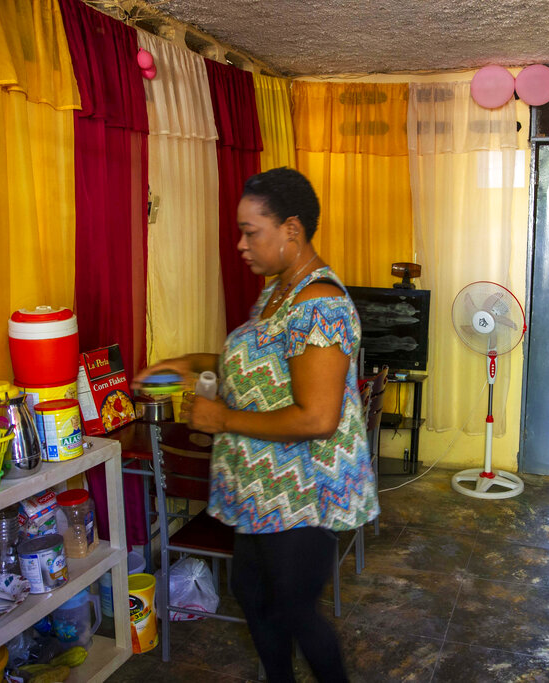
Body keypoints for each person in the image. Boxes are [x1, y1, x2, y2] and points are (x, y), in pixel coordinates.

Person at [135, 167, 378, 682]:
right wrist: (187, 363)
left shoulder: (321, 305)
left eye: (251, 231)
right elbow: (255, 368)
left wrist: (219, 416)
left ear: (291, 229)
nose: (241, 245)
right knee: (252, 593)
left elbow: (317, 417)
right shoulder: (276, 294)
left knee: (292, 609)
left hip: (302, 494)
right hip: (261, 490)